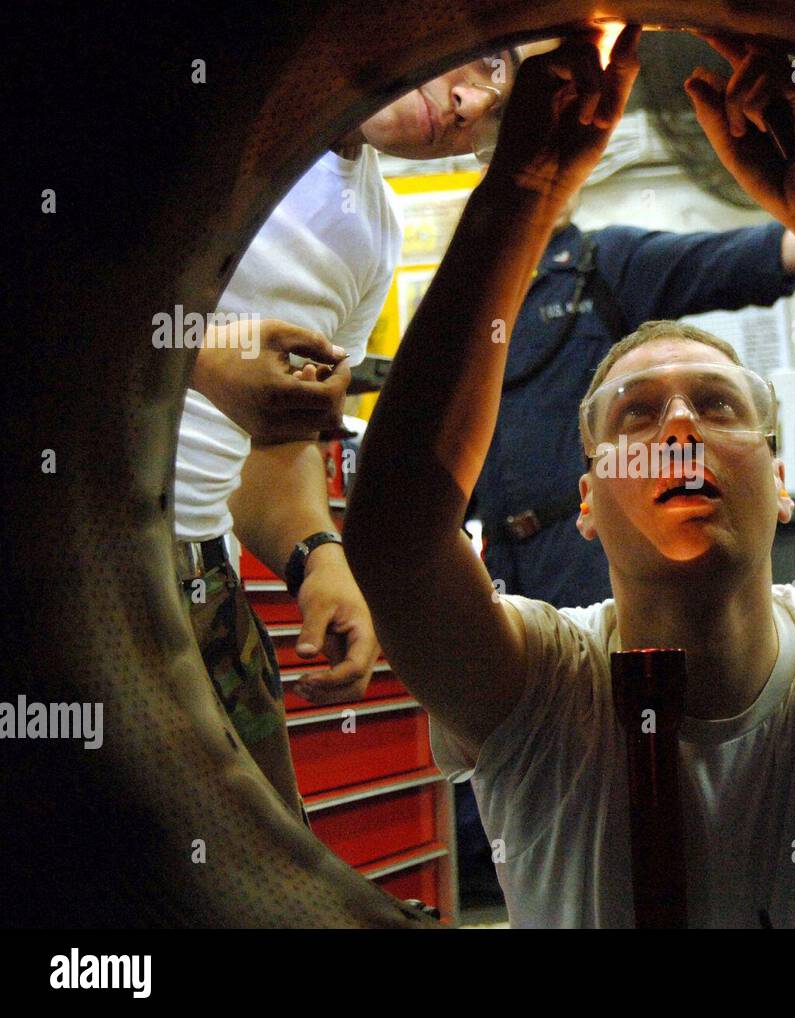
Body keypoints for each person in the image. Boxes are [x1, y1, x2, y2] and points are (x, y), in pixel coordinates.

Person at [346, 26, 795, 927]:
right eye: (636, 412)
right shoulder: (540, 683)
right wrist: (522, 188)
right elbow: (394, 538)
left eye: (720, 404)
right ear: (587, 502)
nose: (682, 425)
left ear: (781, 485)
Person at [175, 48, 521, 818]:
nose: (471, 104)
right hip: (63, 557)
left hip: (196, 579)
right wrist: (193, 359)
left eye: (501, 114)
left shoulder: (370, 234)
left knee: (263, 863)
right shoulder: (193, 106)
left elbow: (273, 445)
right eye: (487, 60)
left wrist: (315, 555)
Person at [475, 190, 795, 610]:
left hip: (586, 544)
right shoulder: (476, 289)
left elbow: (721, 261)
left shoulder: (603, 263)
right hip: (500, 554)